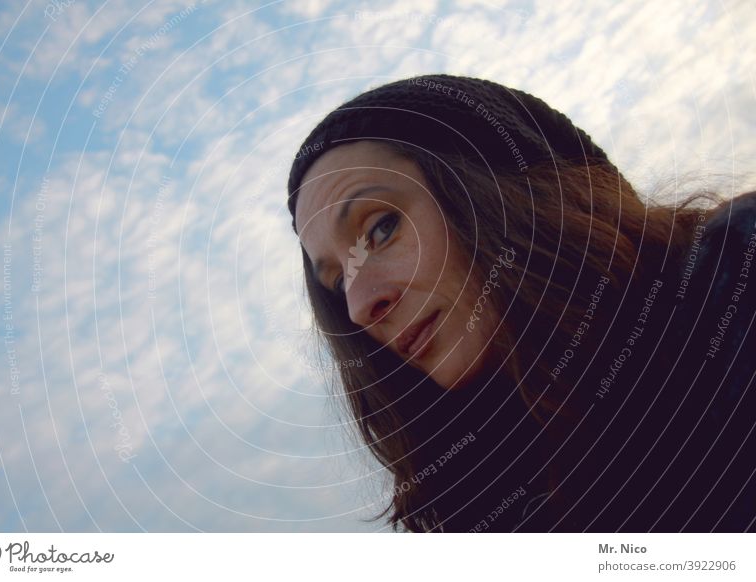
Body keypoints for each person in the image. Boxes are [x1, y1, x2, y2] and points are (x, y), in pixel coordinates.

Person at [285, 74, 756, 532]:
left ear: (504, 188)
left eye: (382, 228)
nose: (360, 306)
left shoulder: (736, 273)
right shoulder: (492, 510)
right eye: (338, 282)